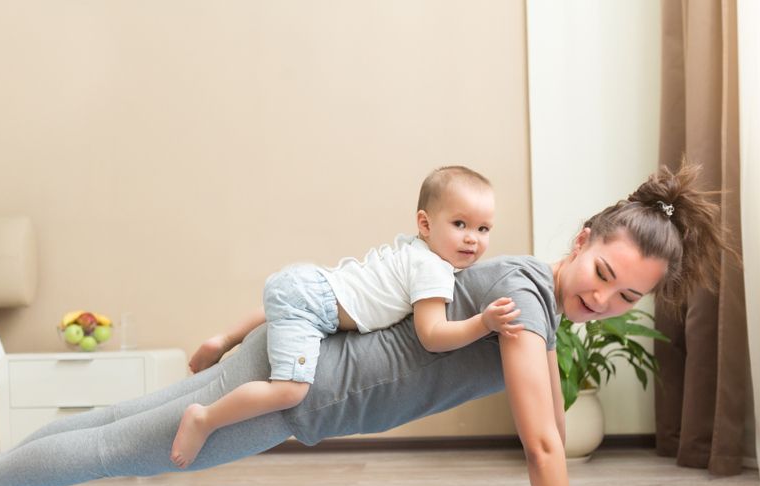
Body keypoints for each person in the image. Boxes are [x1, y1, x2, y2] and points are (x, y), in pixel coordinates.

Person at [0, 161, 725, 486]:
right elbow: (546, 441)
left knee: (119, 425)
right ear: (582, 240)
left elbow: (544, 407)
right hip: (303, 388)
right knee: (129, 449)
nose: (603, 299)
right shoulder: (520, 299)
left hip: (290, 357)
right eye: (603, 273)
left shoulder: (534, 300)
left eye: (626, 297)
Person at [169, 165, 522, 468]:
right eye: (460, 224)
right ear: (425, 225)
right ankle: (205, 418)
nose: (472, 239)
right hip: (313, 305)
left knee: (286, 308)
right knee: (290, 391)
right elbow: (432, 334)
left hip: (307, 283)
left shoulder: (415, 248)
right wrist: (483, 323)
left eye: (483, 229)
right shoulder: (433, 270)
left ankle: (224, 339)